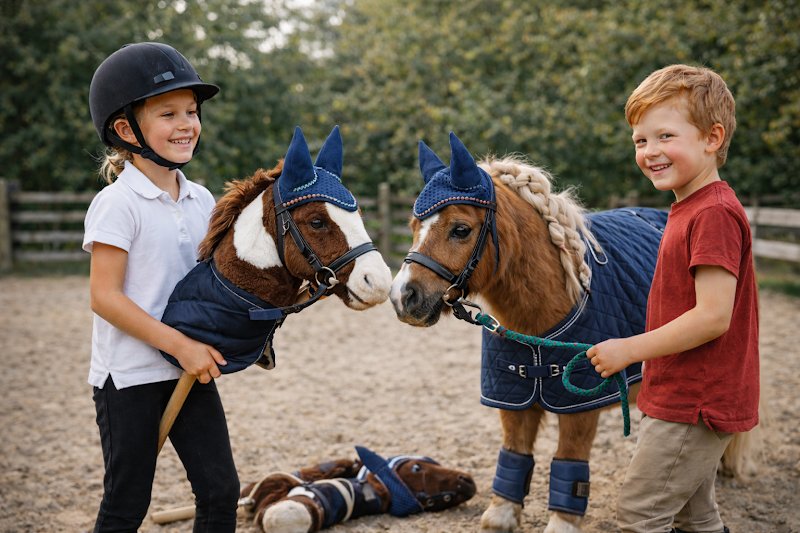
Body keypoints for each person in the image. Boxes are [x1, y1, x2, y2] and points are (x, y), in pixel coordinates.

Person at [587, 64, 759, 533]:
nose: (650, 151)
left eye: (665, 136)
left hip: (695, 402)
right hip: (681, 393)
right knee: (695, 516)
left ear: (711, 137)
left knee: (641, 515)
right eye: (641, 141)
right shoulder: (688, 208)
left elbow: (713, 317)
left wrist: (629, 349)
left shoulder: (714, 214)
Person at [84, 42, 240, 532]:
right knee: (127, 502)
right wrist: (180, 346)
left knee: (221, 491)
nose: (187, 124)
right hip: (129, 378)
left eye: (191, 112)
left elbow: (210, 281)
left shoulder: (201, 199)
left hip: (188, 371)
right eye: (168, 113)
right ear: (127, 130)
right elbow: (104, 297)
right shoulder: (118, 204)